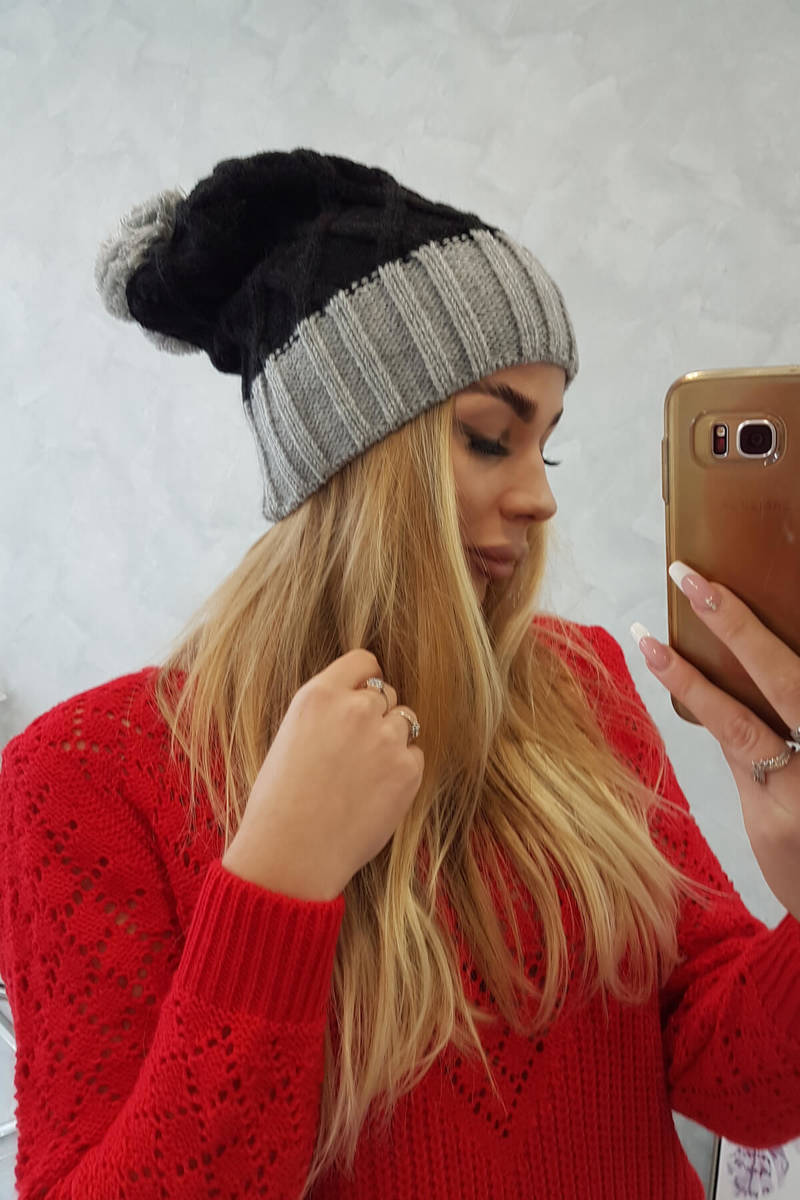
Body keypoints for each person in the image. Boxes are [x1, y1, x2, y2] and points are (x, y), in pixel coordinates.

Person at [1, 149, 799, 1200]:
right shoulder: (80, 781)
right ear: (345, 453)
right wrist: (276, 880)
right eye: (489, 438)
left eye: (545, 448)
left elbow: (730, 1079)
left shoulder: (579, 683)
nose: (539, 498)